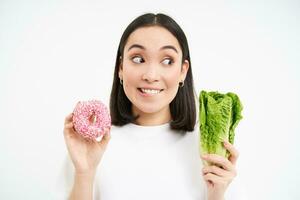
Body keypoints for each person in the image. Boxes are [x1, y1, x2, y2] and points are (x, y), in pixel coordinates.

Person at [61, 13, 244, 200]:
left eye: (167, 61)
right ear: (121, 68)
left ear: (183, 71)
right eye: (138, 59)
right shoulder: (91, 148)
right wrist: (85, 173)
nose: (151, 75)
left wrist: (216, 194)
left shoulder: (212, 155)